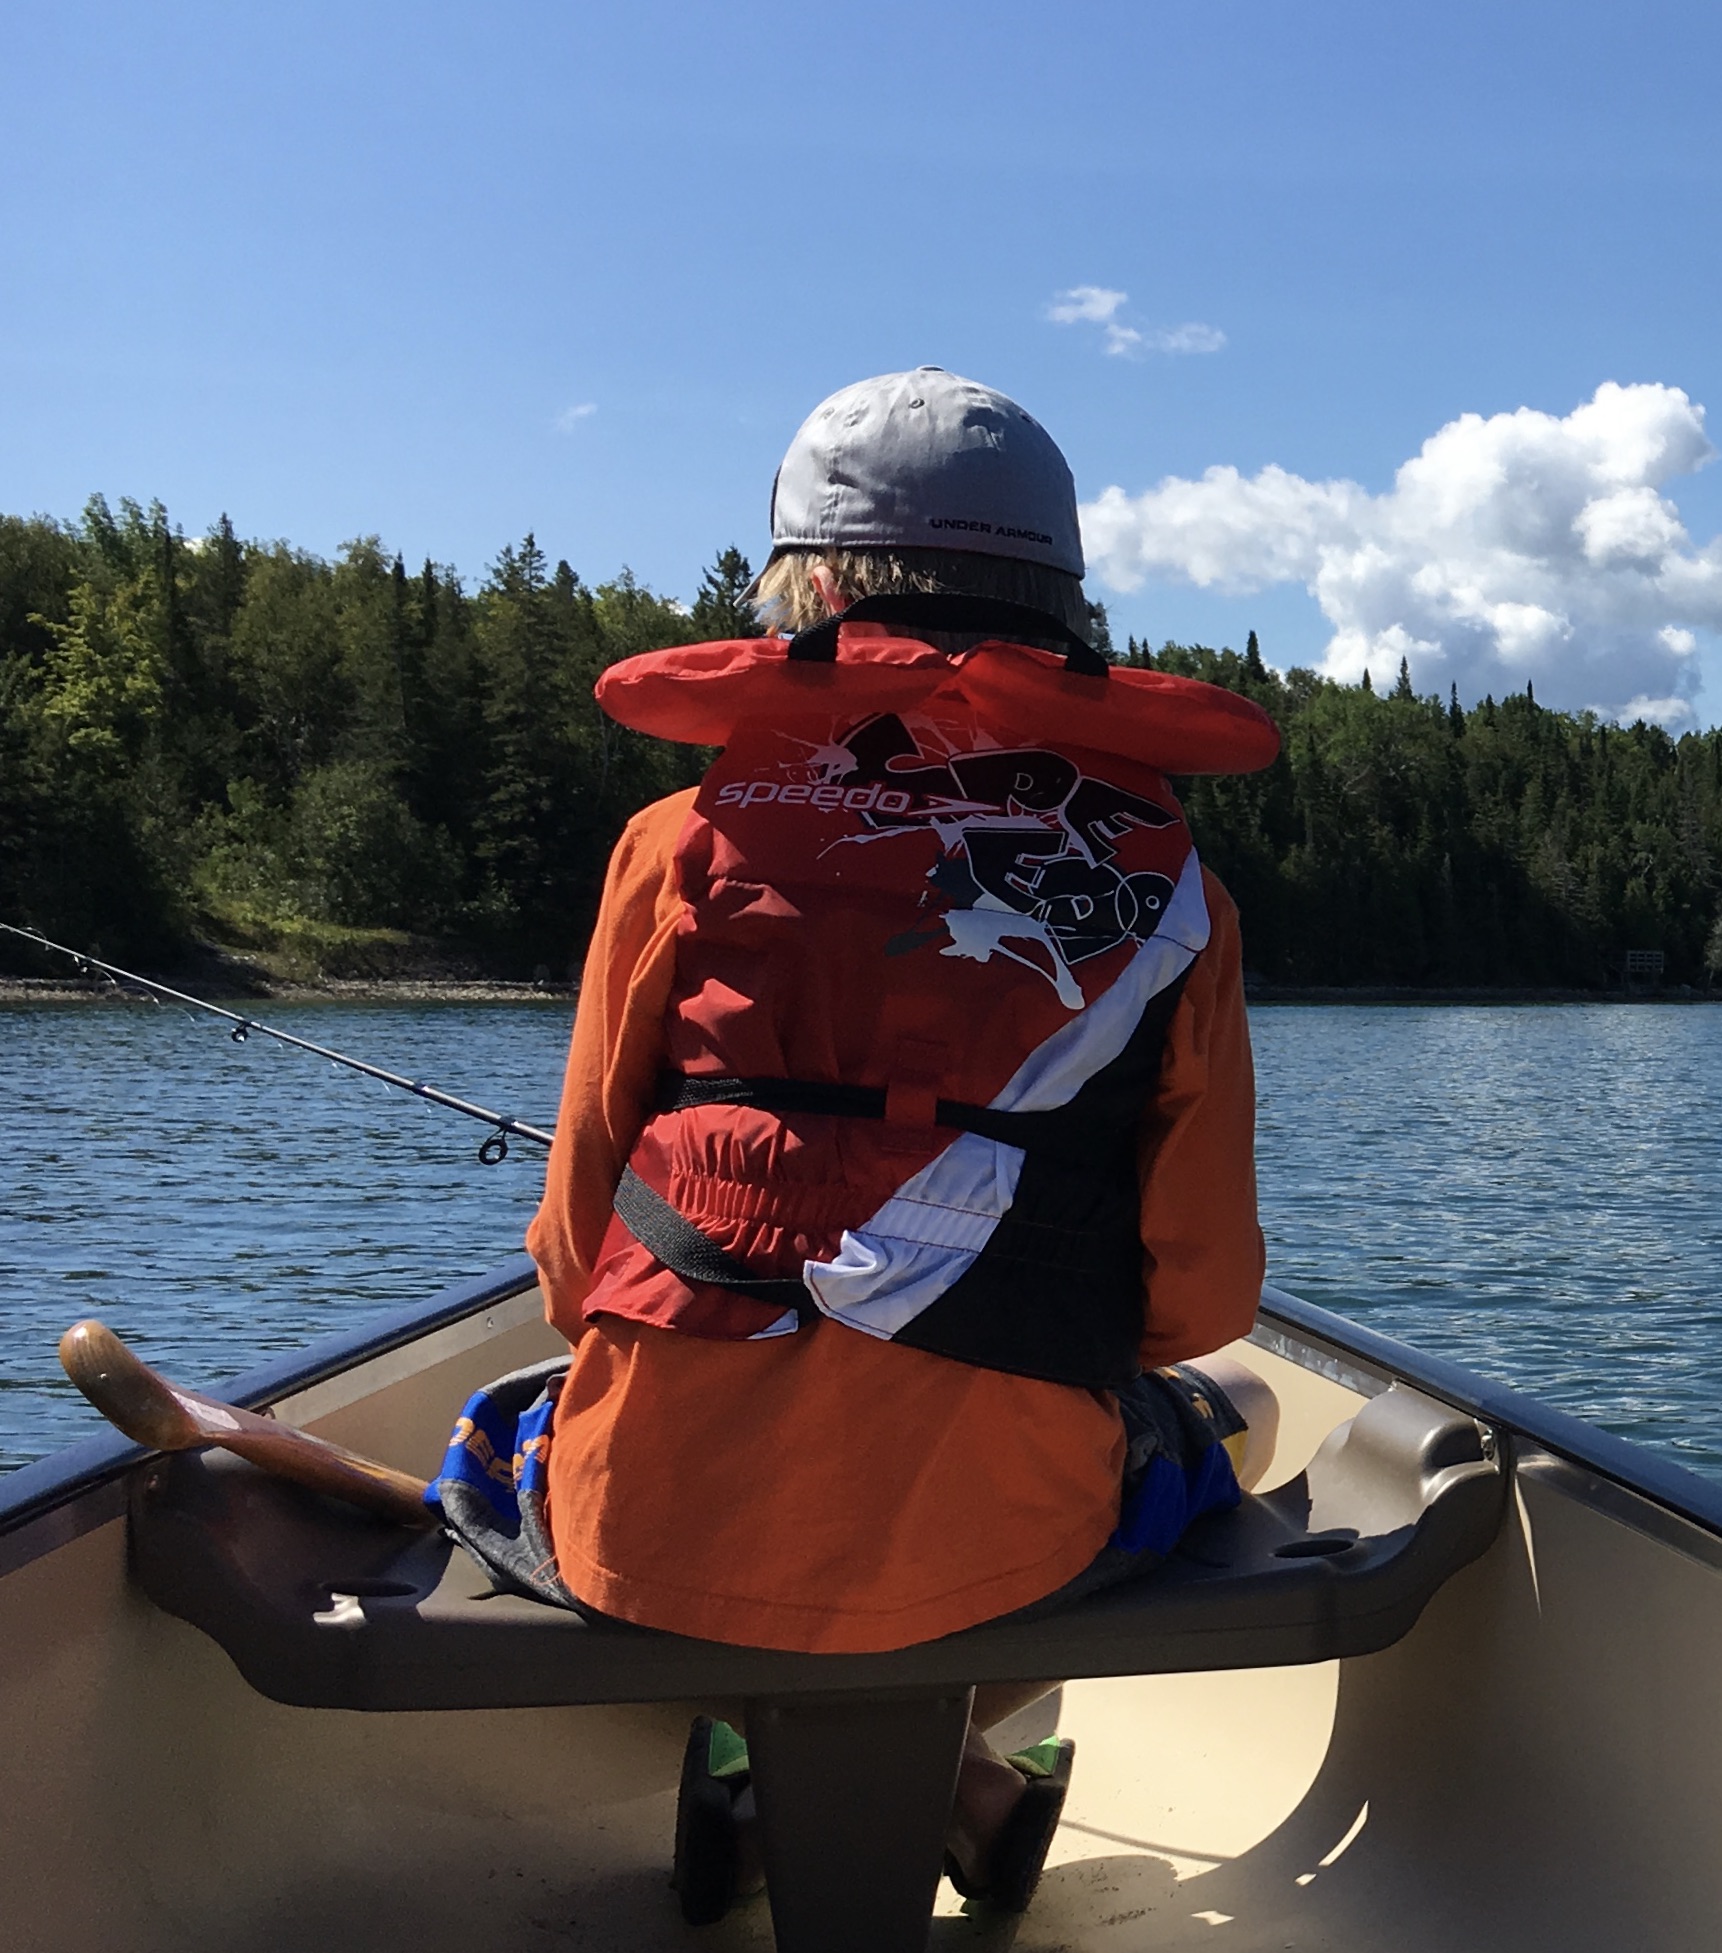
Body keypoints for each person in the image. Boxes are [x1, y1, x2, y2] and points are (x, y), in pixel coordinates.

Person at [499, 368, 1278, 1918]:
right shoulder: (1173, 891)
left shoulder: (676, 842)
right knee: (1234, 1408)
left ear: (804, 591)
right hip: (1003, 1539)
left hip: (653, 1525)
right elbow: (1196, 1302)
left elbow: (577, 1264)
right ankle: (966, 1774)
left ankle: (765, 1779)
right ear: (1063, 609)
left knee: (520, 1431)